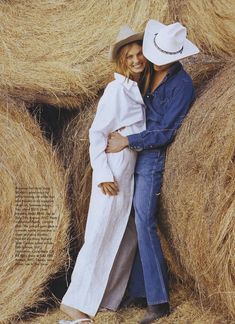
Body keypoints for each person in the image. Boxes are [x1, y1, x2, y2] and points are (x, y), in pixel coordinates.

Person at [106, 19, 200, 324]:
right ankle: (136, 289)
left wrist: (127, 140)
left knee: (145, 220)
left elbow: (166, 132)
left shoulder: (181, 85)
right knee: (132, 219)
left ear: (176, 56)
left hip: (152, 157)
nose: (156, 62)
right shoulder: (145, 71)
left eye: (164, 59)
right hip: (132, 152)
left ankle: (158, 302)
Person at [59, 26, 151, 324]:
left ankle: (106, 300)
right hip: (112, 170)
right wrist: (102, 174)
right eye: (130, 56)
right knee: (100, 232)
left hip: (130, 167)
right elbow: (96, 133)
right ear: (122, 61)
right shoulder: (116, 90)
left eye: (139, 54)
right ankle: (73, 304)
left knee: (126, 233)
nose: (136, 60)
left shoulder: (137, 87)